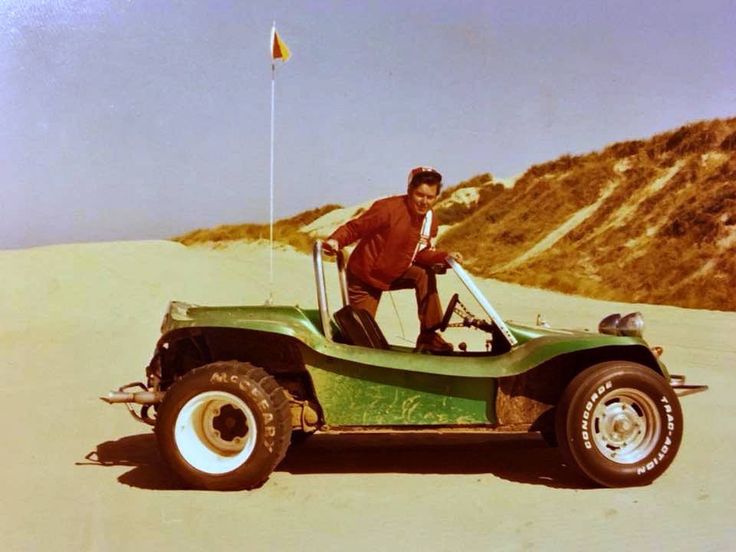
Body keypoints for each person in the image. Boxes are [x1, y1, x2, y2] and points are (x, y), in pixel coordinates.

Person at [323, 166, 462, 353]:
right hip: (365, 277)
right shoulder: (387, 208)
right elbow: (355, 228)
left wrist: (445, 257)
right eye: (419, 195)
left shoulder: (430, 220)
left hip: (396, 271)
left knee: (423, 274)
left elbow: (421, 252)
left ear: (436, 197)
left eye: (430, 197)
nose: (424, 202)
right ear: (410, 190)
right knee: (360, 339)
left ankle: (428, 337)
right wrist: (335, 241)